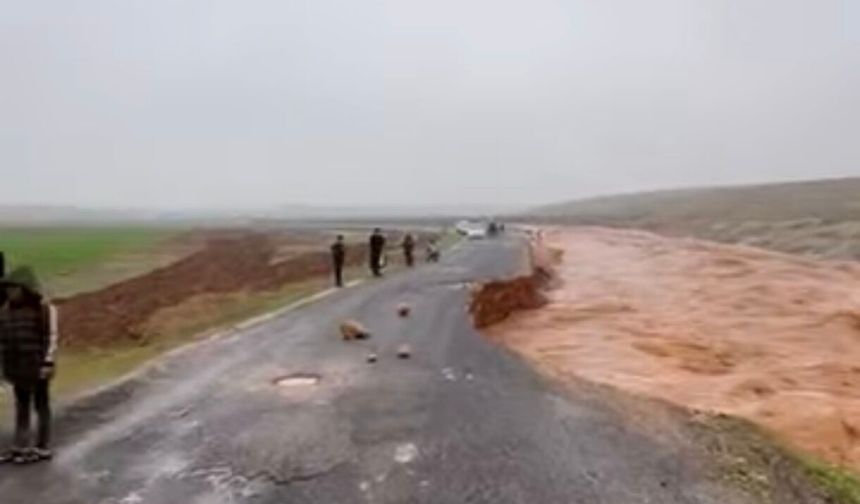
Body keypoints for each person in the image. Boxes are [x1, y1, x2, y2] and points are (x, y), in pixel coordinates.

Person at [0, 266, 58, 464]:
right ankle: (20, 446)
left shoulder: (44, 309)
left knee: (41, 406)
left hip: (38, 364)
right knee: (21, 406)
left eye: (14, 288)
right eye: (8, 289)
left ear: (25, 288)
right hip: (16, 367)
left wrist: (47, 362)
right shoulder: (6, 310)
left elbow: (51, 337)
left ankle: (42, 446)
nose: (10, 292)